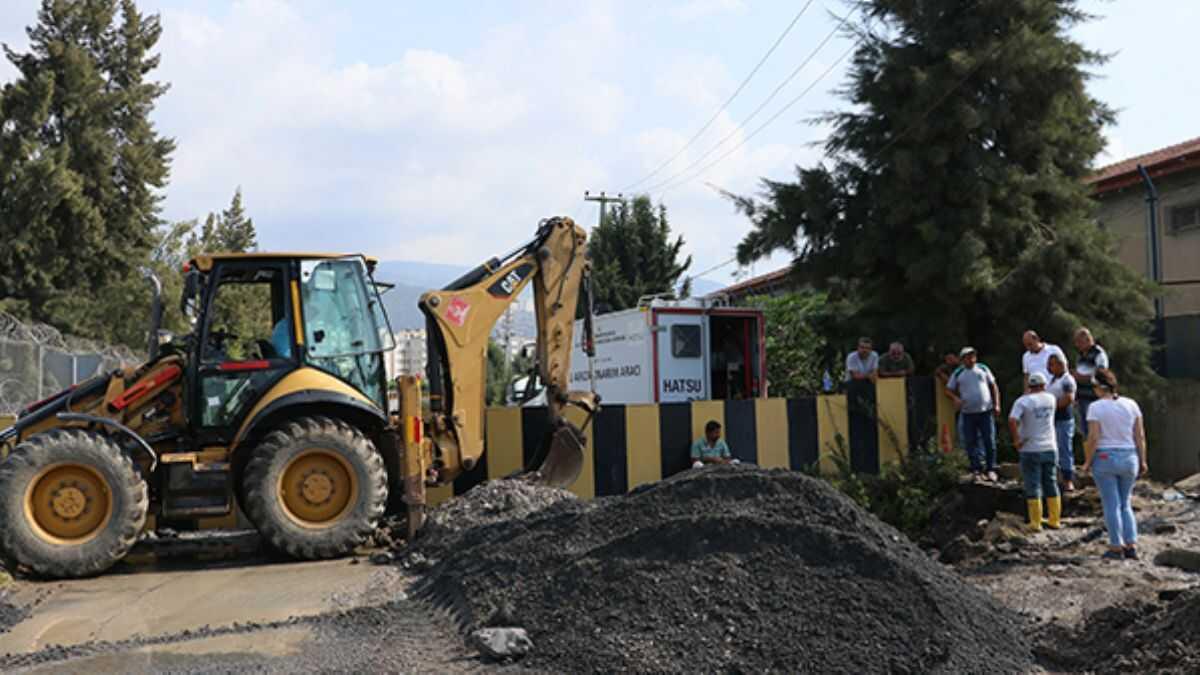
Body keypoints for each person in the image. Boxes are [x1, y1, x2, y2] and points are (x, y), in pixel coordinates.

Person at [1082, 370, 1148, 560]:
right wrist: (1142, 459)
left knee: (1111, 504)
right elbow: (1140, 436)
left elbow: (1094, 437)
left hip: (1105, 457)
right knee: (1125, 503)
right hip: (1129, 457)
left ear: (1098, 387)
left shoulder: (1095, 407)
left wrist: (1087, 462)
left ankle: (1115, 546)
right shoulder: (1131, 404)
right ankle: (1131, 544)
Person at [1008, 372, 1061, 532]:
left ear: (1029, 386)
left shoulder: (1023, 402)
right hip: (1050, 447)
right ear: (1044, 385)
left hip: (1030, 448)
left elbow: (1012, 420)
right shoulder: (1051, 399)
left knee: (1033, 484)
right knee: (1051, 482)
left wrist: (1017, 439)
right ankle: (1054, 520)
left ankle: (1035, 523)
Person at [946, 347, 1001, 481]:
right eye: (967, 357)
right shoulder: (959, 372)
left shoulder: (983, 368)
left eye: (972, 356)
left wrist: (997, 404)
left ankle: (990, 468)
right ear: (962, 359)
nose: (970, 359)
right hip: (968, 413)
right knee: (971, 442)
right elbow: (948, 389)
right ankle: (976, 469)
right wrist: (955, 399)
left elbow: (993, 386)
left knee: (989, 441)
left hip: (985, 412)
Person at [1046, 353, 1077, 491]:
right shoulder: (1053, 380)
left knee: (1064, 448)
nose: (1049, 367)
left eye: (1052, 364)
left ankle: (1068, 479)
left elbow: (1068, 398)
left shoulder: (1067, 380)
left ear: (1060, 364)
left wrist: (1052, 407)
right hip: (1053, 419)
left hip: (1063, 418)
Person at [1071, 327, 1109, 434]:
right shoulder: (1081, 356)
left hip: (1093, 397)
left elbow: (1102, 375)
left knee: (1093, 429)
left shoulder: (1099, 354)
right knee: (1084, 430)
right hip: (1082, 397)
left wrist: (1081, 377)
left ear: (1087, 340)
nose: (1077, 345)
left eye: (1079, 342)